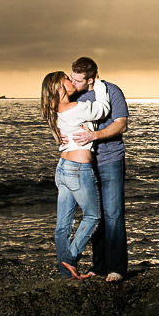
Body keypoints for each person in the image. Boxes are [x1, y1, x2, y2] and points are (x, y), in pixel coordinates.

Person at [40, 70, 111, 280]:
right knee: (93, 216)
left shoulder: (56, 111)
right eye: (66, 78)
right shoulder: (76, 108)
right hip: (78, 170)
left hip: (63, 168)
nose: (71, 81)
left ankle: (66, 274)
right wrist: (98, 84)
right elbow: (103, 109)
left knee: (63, 225)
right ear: (58, 87)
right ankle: (69, 260)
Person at [68, 57, 129, 282]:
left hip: (110, 159)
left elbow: (121, 124)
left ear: (91, 79)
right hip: (85, 164)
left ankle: (117, 268)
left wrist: (94, 135)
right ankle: (99, 265)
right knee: (95, 216)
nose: (73, 83)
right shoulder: (73, 95)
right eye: (72, 78)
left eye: (78, 80)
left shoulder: (112, 91)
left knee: (113, 214)